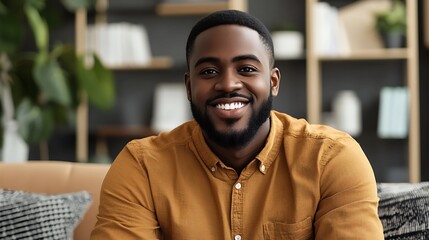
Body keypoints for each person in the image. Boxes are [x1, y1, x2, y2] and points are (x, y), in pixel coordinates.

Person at [90, 10, 384, 239]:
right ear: (189, 88)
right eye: (209, 71)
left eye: (246, 69)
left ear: (273, 82)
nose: (228, 84)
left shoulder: (332, 159)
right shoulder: (142, 166)